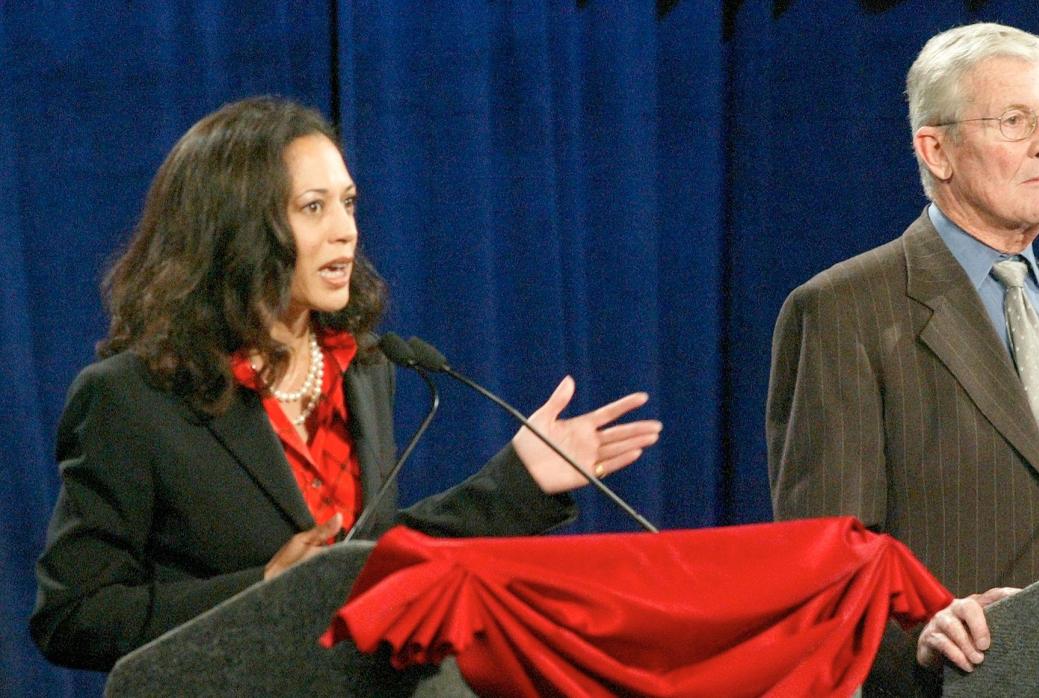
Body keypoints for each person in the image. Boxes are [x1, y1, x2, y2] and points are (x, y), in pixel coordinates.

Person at [30, 96, 663, 672]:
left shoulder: (365, 368)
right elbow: (73, 617)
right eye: (313, 207)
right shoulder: (132, 397)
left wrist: (520, 481)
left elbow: (371, 565)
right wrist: (261, 591)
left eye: (348, 202)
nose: (346, 230)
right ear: (237, 227)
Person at [766, 22, 1039, 694]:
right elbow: (827, 556)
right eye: (1015, 121)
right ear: (936, 149)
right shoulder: (846, 310)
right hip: (969, 682)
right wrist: (922, 635)